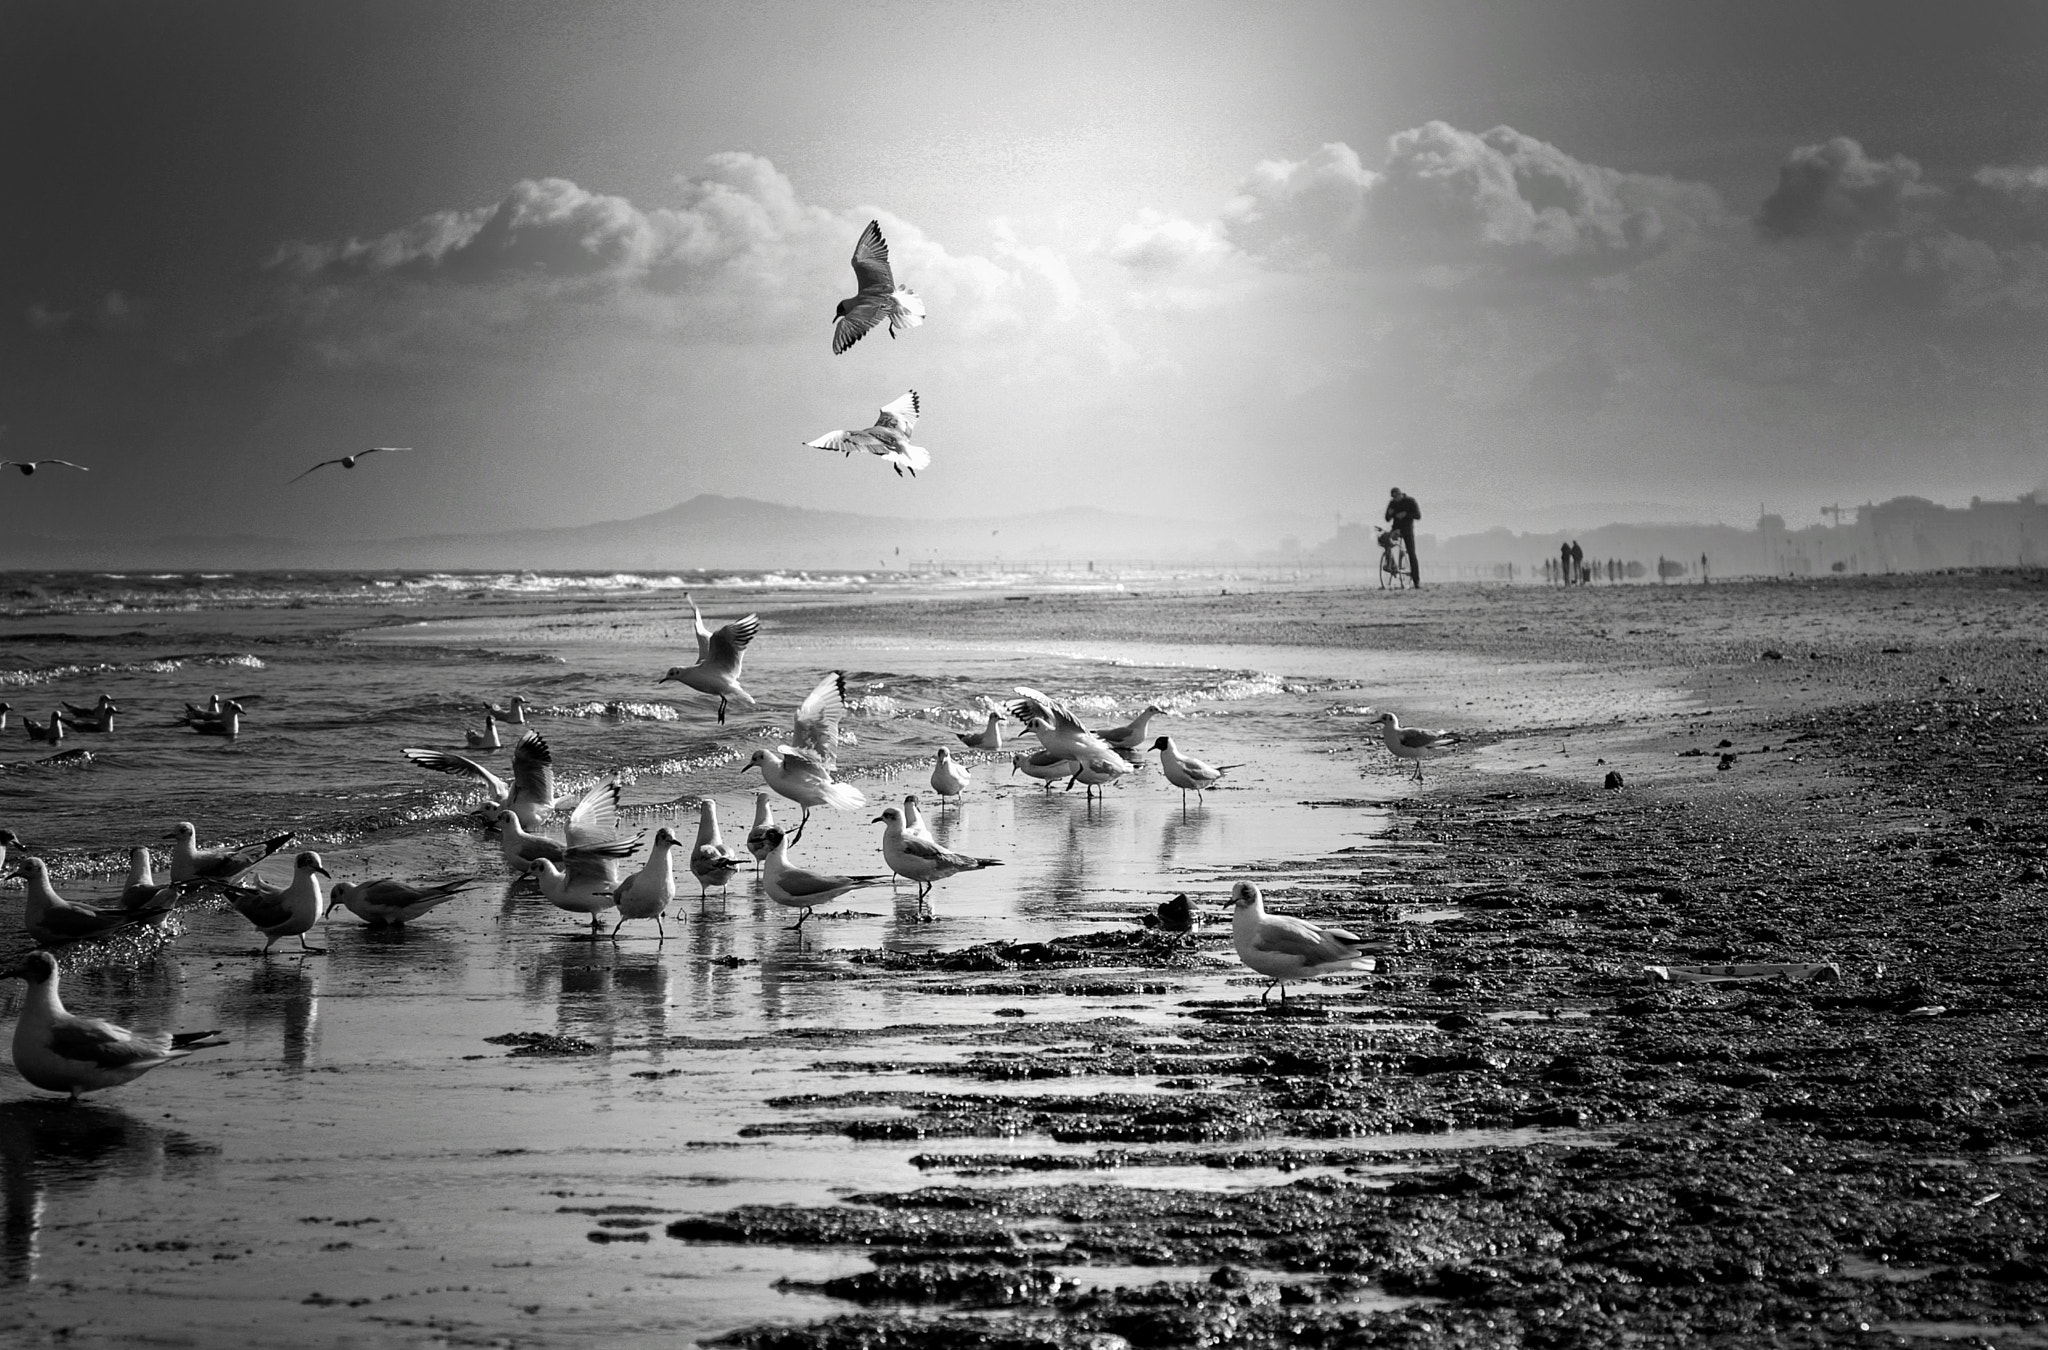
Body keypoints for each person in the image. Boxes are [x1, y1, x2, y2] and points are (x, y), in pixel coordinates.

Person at [1384, 488, 1421, 586]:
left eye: (1396, 496)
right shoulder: (1392, 503)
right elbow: (1387, 518)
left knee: (1411, 553)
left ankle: (1416, 580)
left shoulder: (1410, 501)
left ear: (1401, 494)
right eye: (1393, 497)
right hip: (1396, 530)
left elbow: (1418, 515)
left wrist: (1406, 514)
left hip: (1407, 530)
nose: (1395, 499)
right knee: (1385, 540)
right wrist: (1390, 513)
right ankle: (1390, 565)